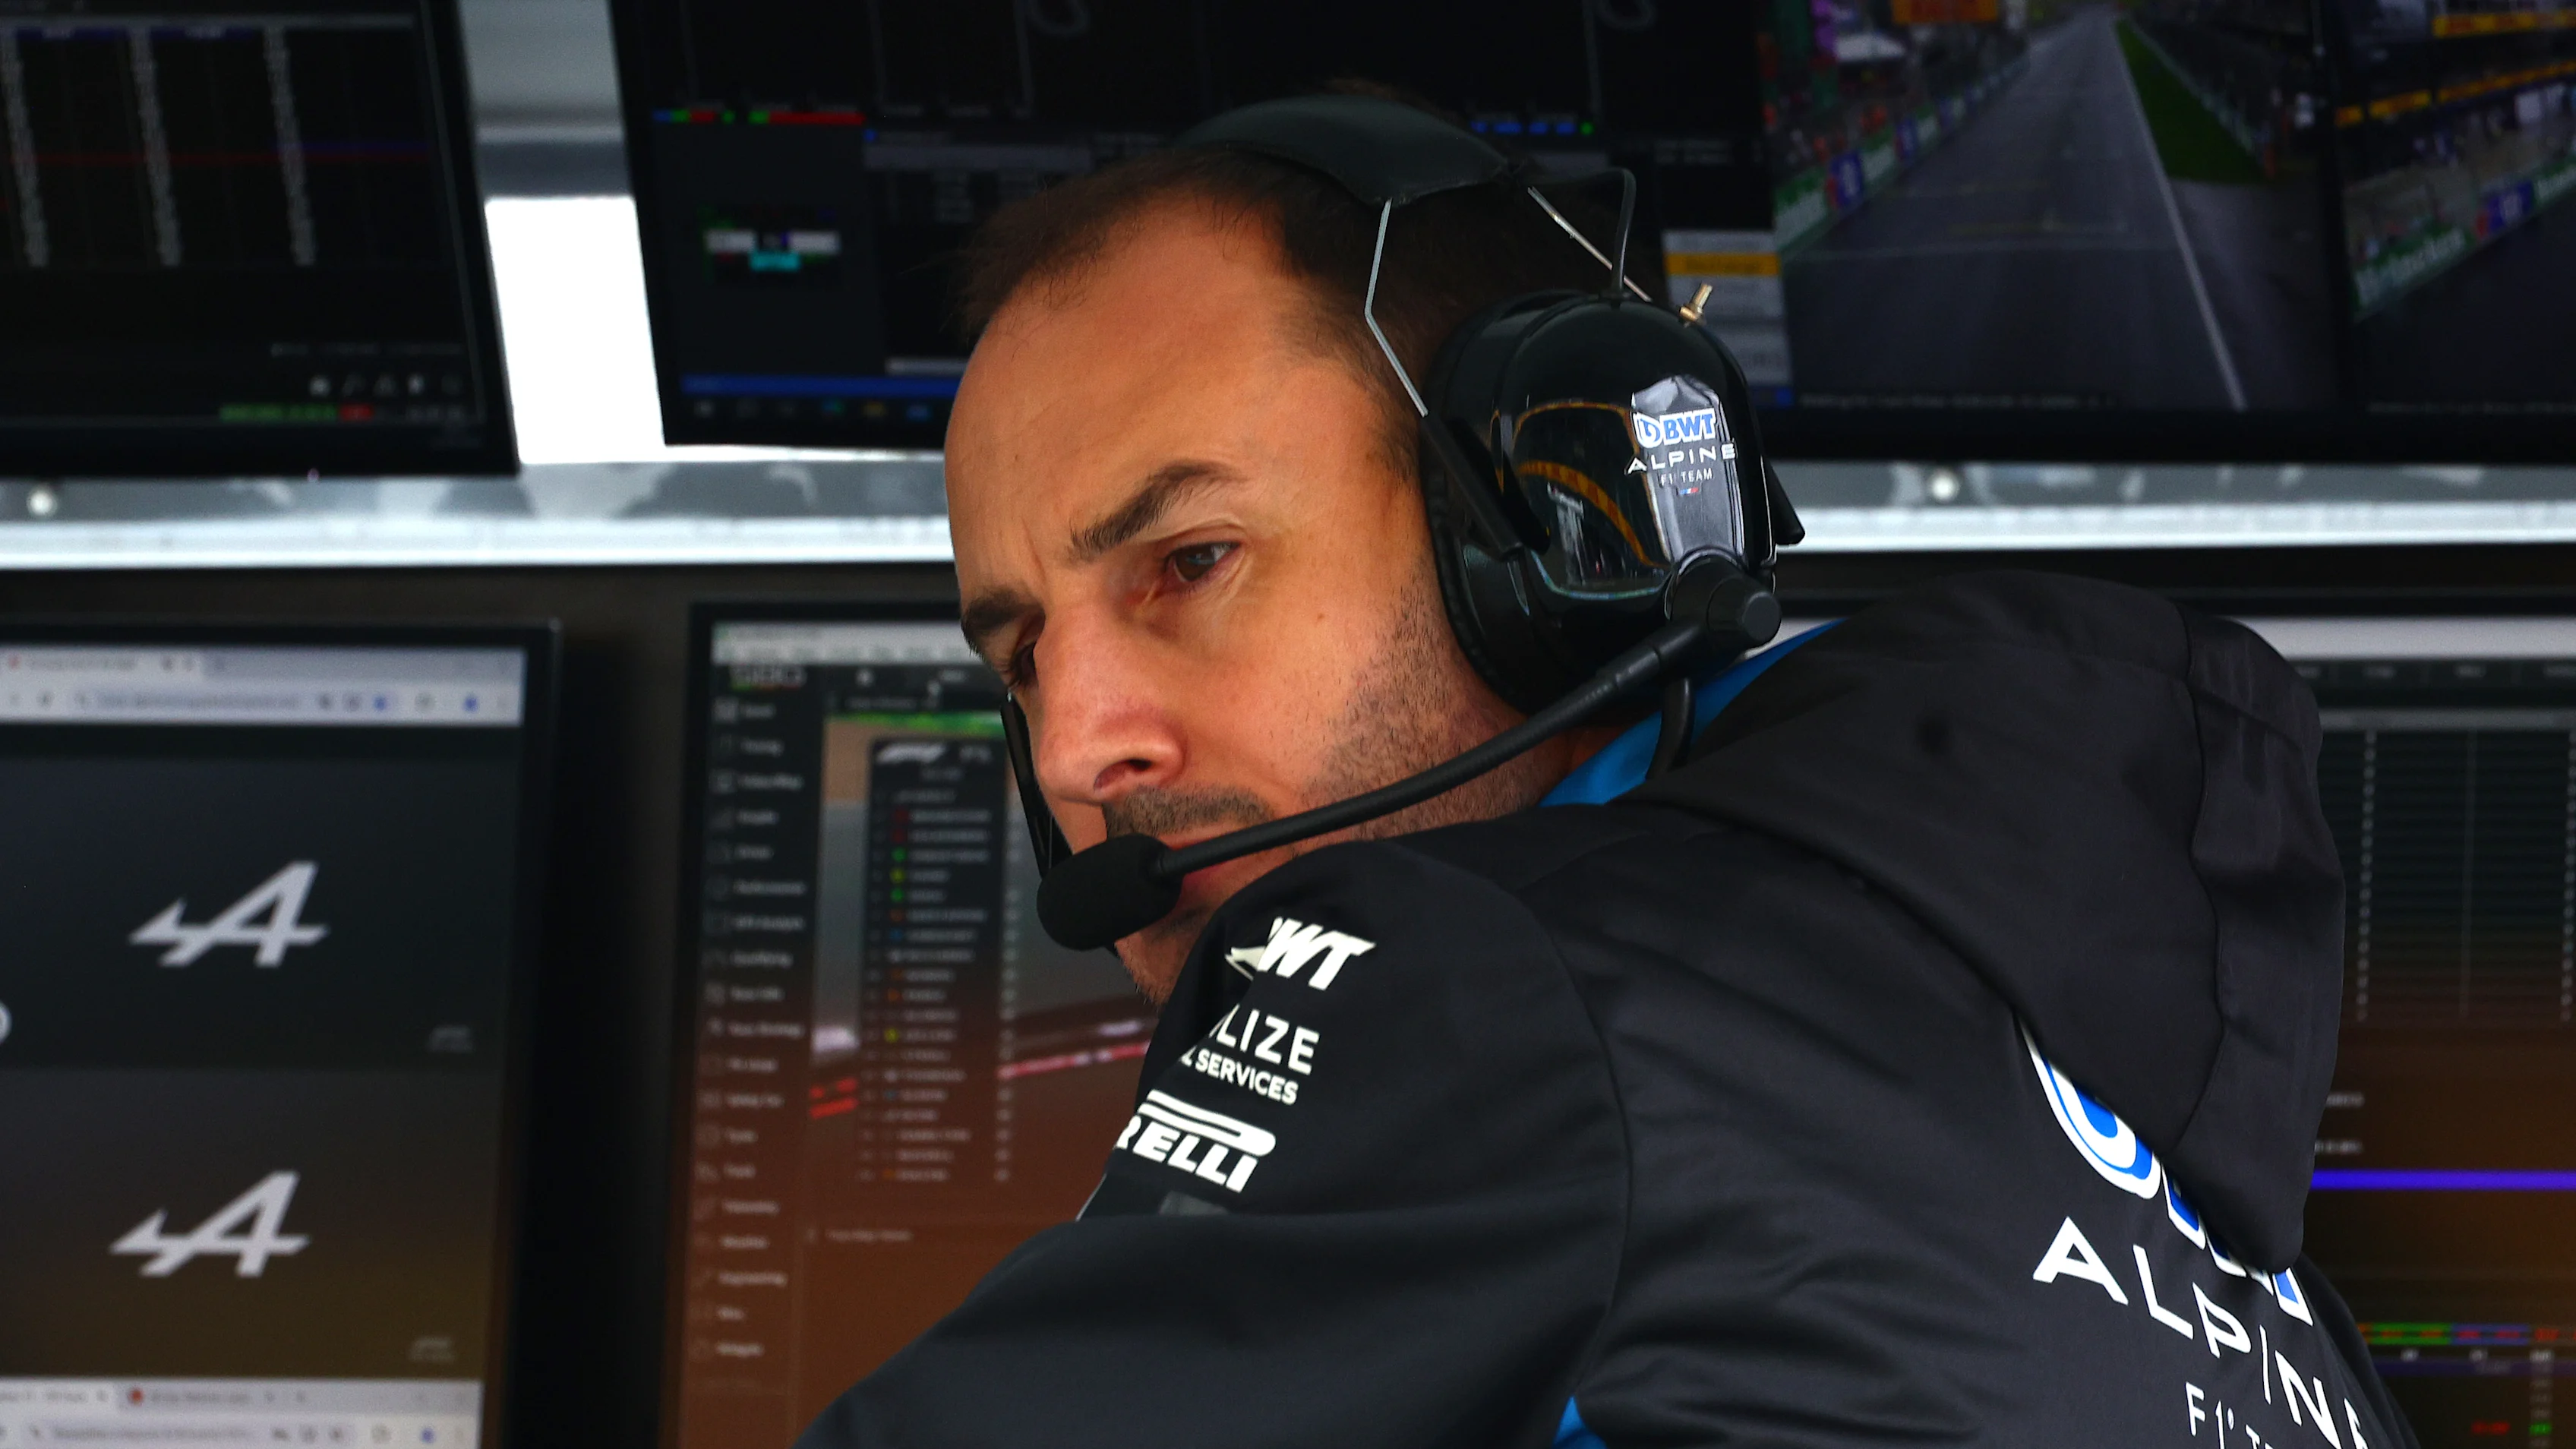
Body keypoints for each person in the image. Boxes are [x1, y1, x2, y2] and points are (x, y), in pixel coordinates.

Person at [797, 94, 2416, 1449]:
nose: (1078, 742)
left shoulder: (1469, 989)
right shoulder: (2263, 1300)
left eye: (1189, 561)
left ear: (1561, 528)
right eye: (1016, 657)